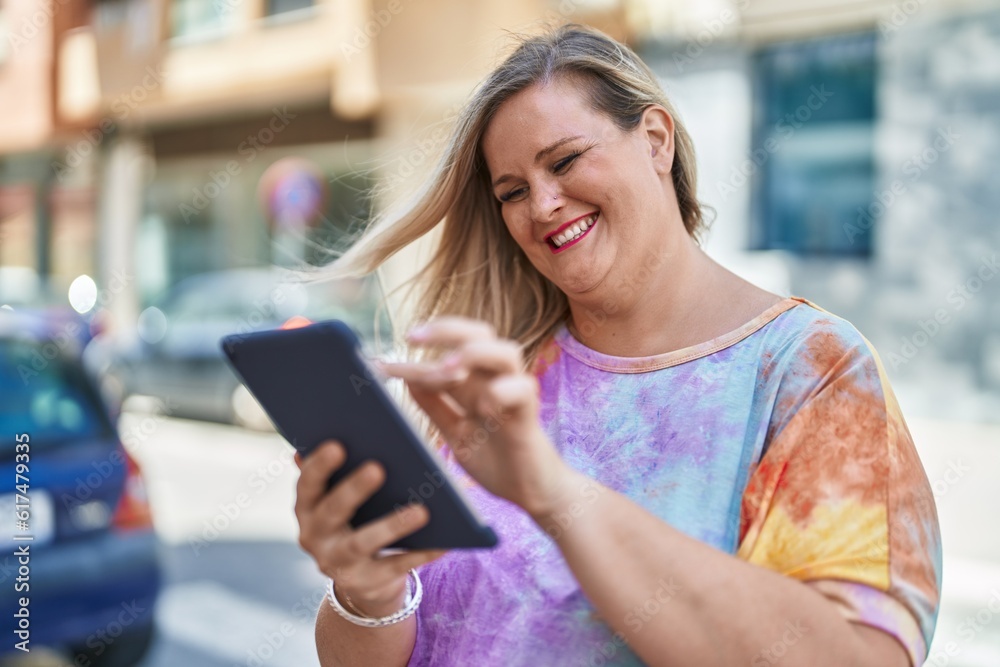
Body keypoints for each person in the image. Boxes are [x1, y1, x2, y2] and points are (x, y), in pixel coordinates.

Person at [293, 24, 941, 667]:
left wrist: (550, 490)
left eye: (566, 160)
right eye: (512, 191)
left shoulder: (807, 369)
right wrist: (367, 590)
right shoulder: (503, 375)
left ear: (656, 139)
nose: (542, 204)